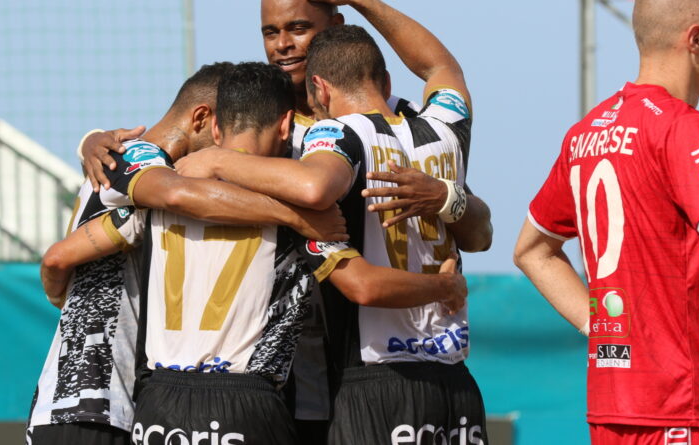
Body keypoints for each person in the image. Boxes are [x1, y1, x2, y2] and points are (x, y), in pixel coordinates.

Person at [43, 61, 469, 444]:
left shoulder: (153, 188)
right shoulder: (305, 211)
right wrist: (445, 285)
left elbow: (59, 256)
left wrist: (90, 141)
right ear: (286, 127)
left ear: (214, 127)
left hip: (159, 403)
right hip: (246, 403)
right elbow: (364, 285)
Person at [175, 24, 491, 444]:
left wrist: (218, 161)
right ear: (386, 81)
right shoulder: (444, 125)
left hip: (378, 384)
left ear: (321, 90)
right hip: (455, 382)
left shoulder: (336, 132)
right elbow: (442, 66)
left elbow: (314, 187)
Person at [26, 62, 346, 445]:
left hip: (133, 398)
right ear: (205, 120)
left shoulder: (139, 181)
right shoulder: (153, 172)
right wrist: (296, 217)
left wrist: (64, 299)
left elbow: (56, 258)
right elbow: (178, 194)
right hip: (127, 399)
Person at [513, 0, 699, 443]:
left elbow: (532, 251)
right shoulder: (682, 128)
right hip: (680, 406)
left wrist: (602, 328)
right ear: (695, 39)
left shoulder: (585, 132)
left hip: (612, 406)